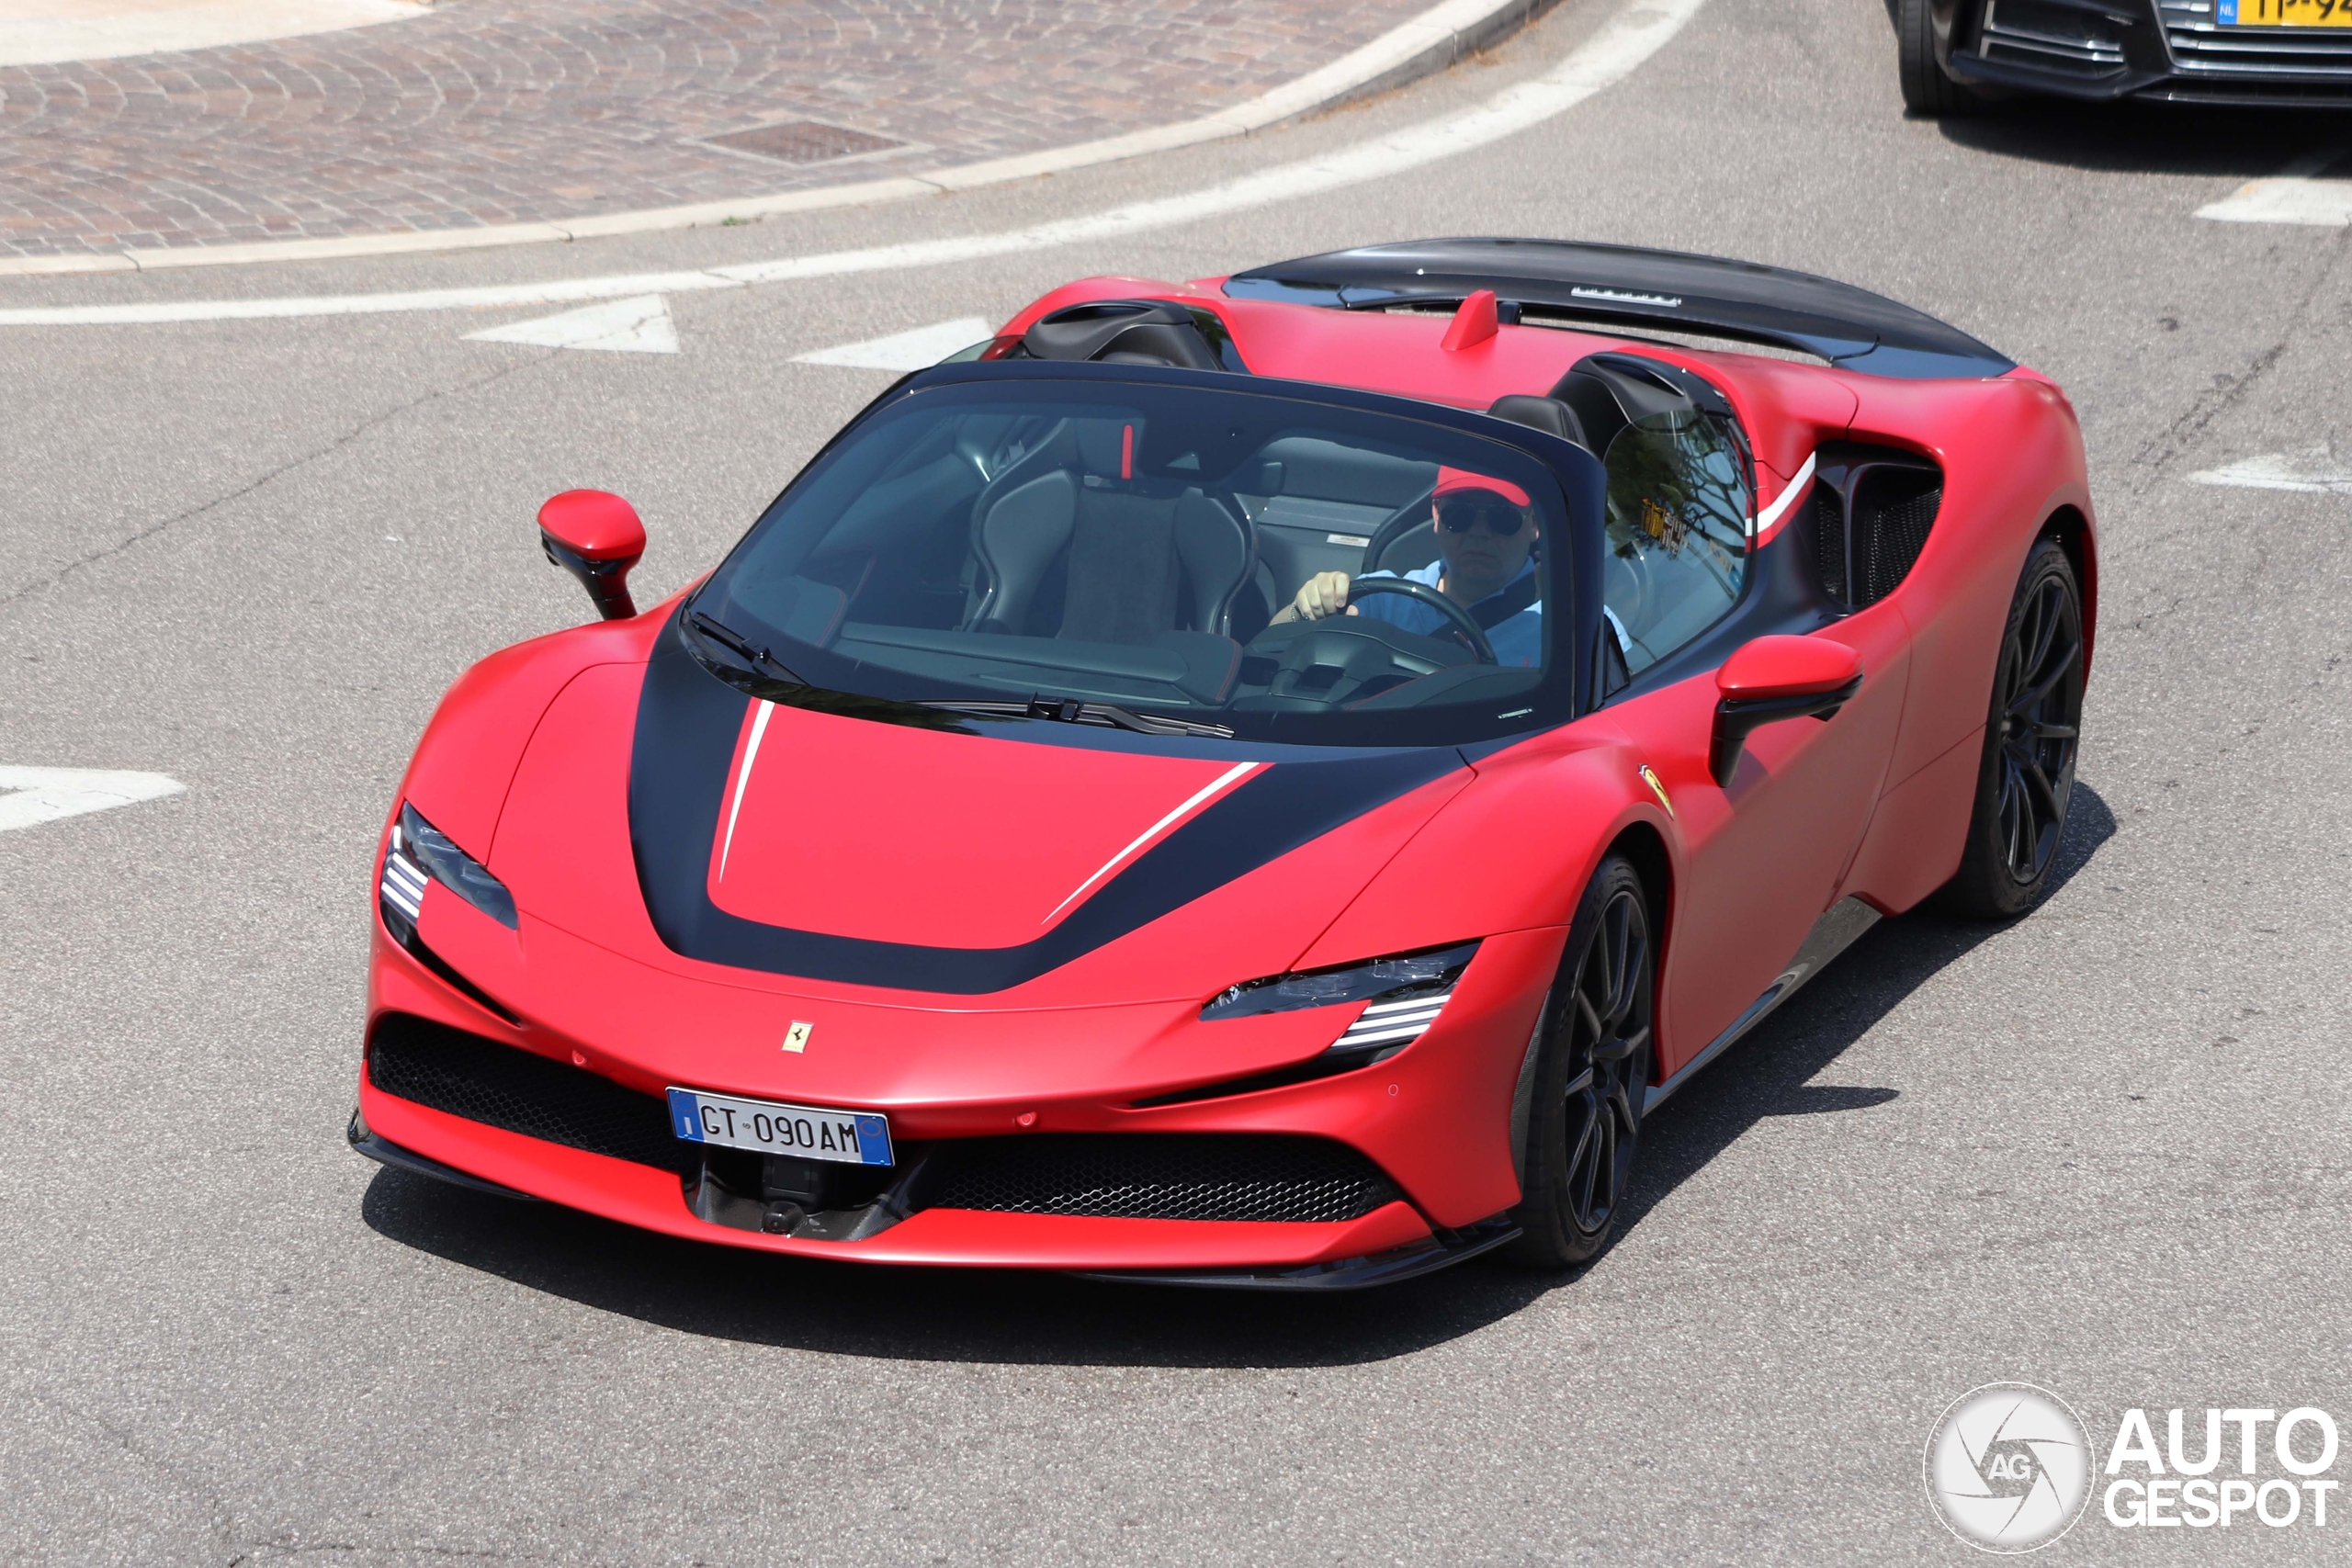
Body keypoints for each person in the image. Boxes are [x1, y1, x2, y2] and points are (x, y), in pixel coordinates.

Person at [1271, 468, 1543, 667]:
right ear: (1436, 514)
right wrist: (1304, 608)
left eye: (1502, 517)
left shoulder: (1561, 625)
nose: (1479, 533)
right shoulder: (1383, 599)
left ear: (1534, 524)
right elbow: (1271, 644)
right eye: (1460, 515)